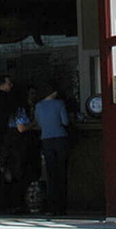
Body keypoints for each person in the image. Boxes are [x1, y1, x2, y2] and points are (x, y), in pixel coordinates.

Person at [33, 80, 71, 215]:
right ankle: (62, 206)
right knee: (62, 172)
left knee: (51, 173)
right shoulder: (59, 104)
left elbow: (38, 124)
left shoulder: (38, 106)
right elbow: (65, 121)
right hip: (60, 138)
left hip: (46, 139)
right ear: (53, 92)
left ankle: (52, 206)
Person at [0, 75, 23, 210]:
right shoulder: (7, 100)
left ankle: (3, 202)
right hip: (8, 139)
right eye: (9, 83)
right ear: (2, 85)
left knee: (5, 169)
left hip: (2, 139)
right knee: (10, 169)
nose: (11, 86)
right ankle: (10, 201)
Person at [0, 104, 41, 213]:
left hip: (16, 150)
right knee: (17, 176)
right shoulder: (19, 110)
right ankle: (15, 204)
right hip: (17, 150)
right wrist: (32, 125)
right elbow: (21, 128)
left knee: (17, 176)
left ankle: (16, 203)